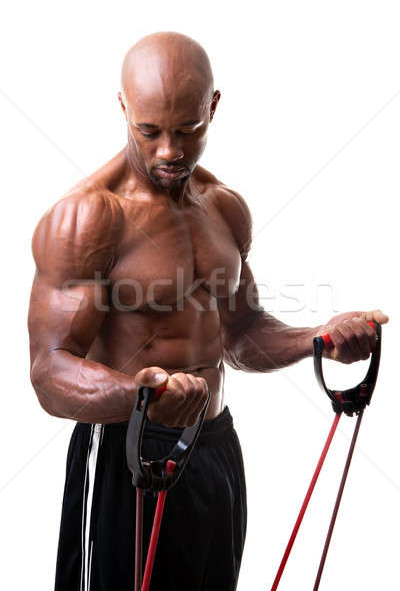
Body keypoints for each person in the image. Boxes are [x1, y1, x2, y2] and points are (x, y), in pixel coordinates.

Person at [28, 31, 388, 591]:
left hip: (214, 443)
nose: (168, 151)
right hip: (127, 453)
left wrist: (319, 338)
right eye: (149, 131)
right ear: (123, 107)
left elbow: (242, 335)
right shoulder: (88, 219)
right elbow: (50, 372)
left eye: (187, 129)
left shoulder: (223, 208)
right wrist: (140, 393)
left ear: (213, 107)